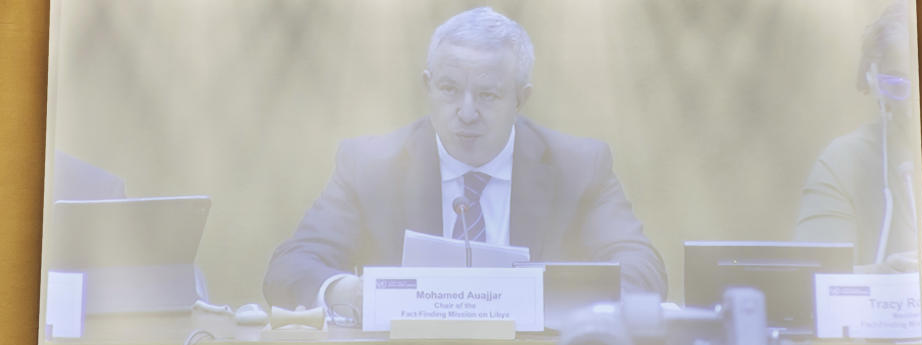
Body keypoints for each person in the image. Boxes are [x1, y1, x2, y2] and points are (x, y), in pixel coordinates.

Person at [263, 7, 667, 316]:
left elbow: (641, 269)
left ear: (520, 99)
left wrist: (565, 304)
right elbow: (290, 266)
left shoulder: (578, 167)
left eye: (488, 96)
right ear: (427, 87)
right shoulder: (370, 166)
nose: (467, 112)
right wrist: (344, 292)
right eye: (450, 90)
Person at [795, 1, 920, 271]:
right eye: (899, 85)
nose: (917, 102)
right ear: (874, 80)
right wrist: (886, 278)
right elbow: (811, 283)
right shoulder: (843, 163)